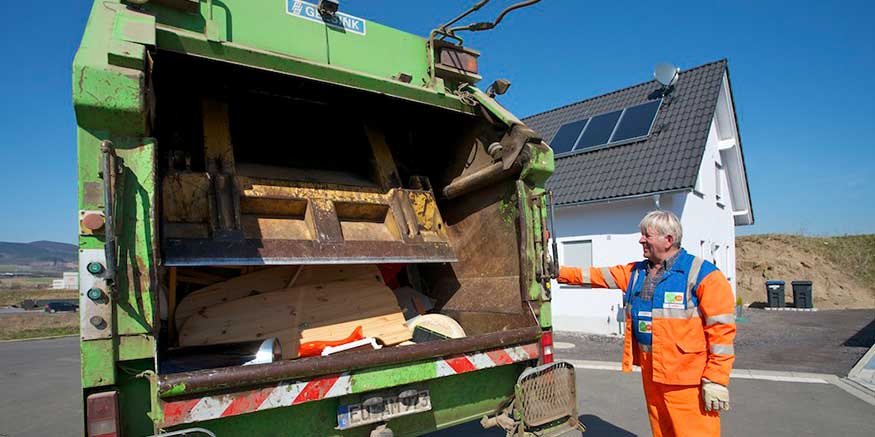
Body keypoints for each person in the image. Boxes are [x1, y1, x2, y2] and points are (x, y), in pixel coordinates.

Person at [558, 210, 735, 437]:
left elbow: (722, 333)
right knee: (661, 431)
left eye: (646, 235)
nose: (641, 240)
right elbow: (595, 275)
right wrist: (557, 271)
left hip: (687, 381)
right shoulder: (637, 273)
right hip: (652, 374)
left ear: (668, 240)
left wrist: (716, 380)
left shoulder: (703, 275)